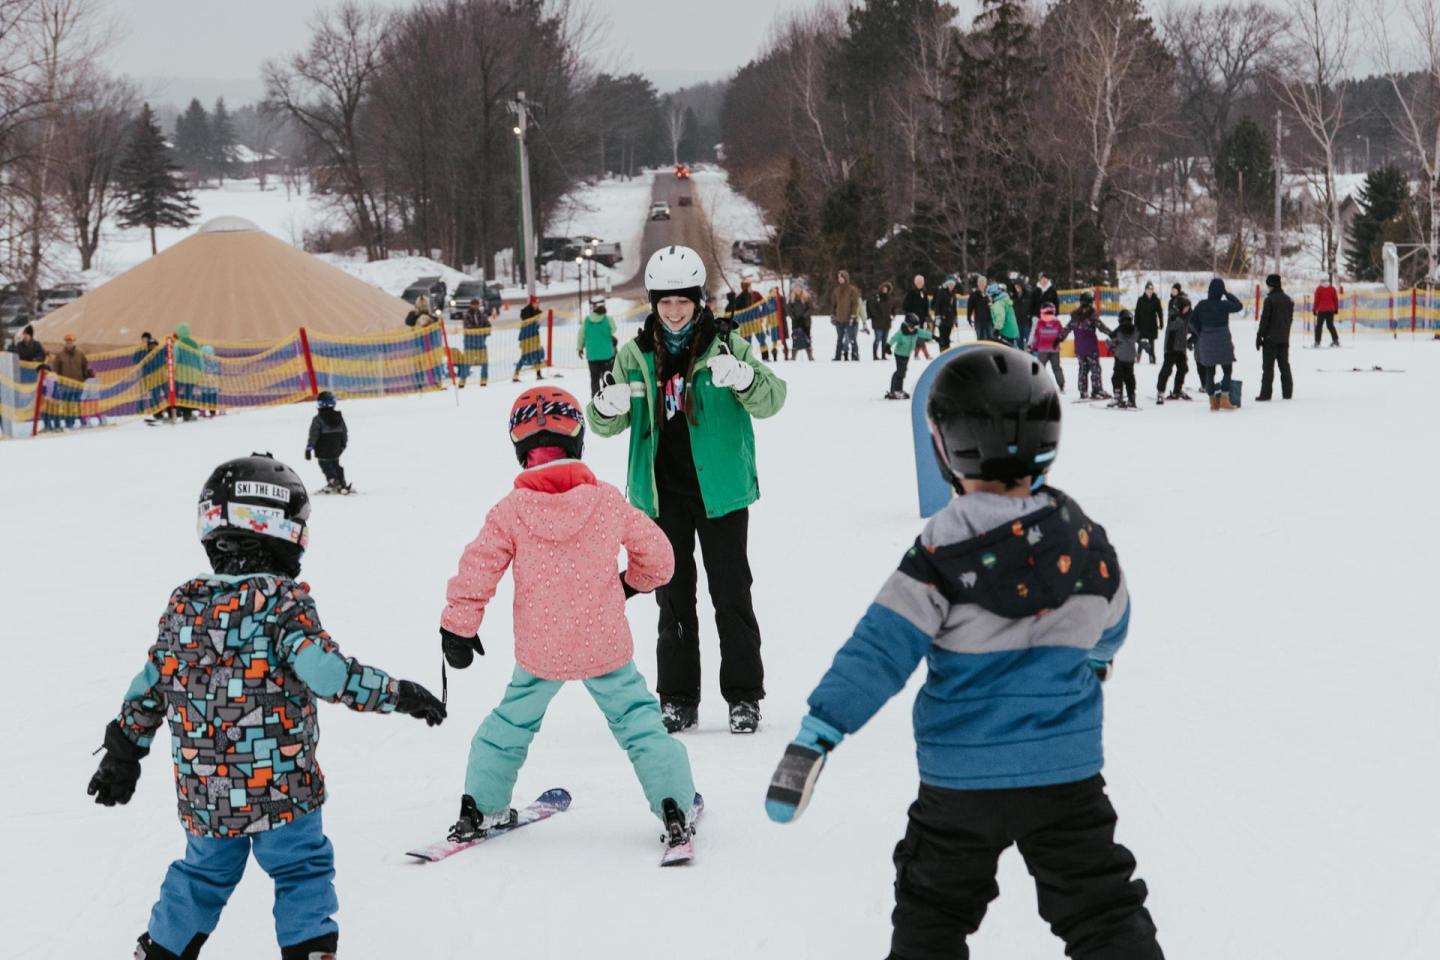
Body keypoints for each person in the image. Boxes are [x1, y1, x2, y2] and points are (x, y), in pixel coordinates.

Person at [764, 344, 1163, 960]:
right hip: (1064, 775)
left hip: (960, 783)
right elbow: (1113, 621)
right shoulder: (1085, 541)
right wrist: (1093, 659)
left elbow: (881, 649)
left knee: (933, 914)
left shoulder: (940, 552)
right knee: (1102, 909)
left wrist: (820, 730)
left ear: (945, 446)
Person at [85, 454, 445, 960]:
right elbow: (328, 674)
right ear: (279, 529)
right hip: (283, 791)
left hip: (208, 796)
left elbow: (148, 689)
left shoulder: (182, 608)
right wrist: (397, 693)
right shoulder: (282, 605)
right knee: (300, 870)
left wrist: (122, 753)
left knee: (203, 874)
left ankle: (162, 952)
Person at [439, 386, 699, 854]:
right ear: (579, 441)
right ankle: (674, 805)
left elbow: (478, 568)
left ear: (520, 450)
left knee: (510, 725)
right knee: (639, 722)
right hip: (604, 644)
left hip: (540, 649)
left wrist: (459, 627)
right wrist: (628, 584)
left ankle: (480, 805)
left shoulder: (511, 511)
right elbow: (660, 557)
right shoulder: (606, 501)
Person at [588, 245, 787, 735]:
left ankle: (744, 697)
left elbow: (772, 399)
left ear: (698, 300)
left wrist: (743, 377)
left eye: (683, 301)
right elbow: (603, 424)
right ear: (653, 303)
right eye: (665, 301)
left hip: (721, 492)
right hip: (661, 497)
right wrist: (607, 407)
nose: (674, 311)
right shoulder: (635, 354)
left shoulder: (727, 346)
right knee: (673, 598)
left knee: (732, 593)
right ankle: (677, 697)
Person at [1191, 278, 1242, 409]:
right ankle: (1225, 399)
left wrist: (1200, 332)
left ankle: (1213, 402)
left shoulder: (1202, 305)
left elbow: (1191, 322)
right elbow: (1239, 305)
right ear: (1221, 291)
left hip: (1206, 341)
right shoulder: (1224, 304)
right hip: (1223, 340)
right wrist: (1227, 293)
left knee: (1209, 371)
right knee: (1227, 370)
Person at [1057, 292, 1112, 400]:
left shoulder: (1075, 317)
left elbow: (1066, 330)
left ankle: (1083, 391)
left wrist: (1059, 338)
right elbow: (1102, 327)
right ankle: (1097, 391)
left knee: (1083, 369)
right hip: (1091, 348)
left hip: (1080, 349)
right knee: (1095, 369)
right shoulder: (1091, 316)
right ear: (1090, 302)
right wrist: (1113, 334)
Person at [1256, 273, 1294, 401]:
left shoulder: (1269, 300)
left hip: (1270, 339)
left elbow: (1265, 320)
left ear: (1271, 285)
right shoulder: (1288, 300)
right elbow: (1290, 319)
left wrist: (1259, 335)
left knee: (1268, 368)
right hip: (1284, 338)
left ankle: (1265, 394)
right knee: (1284, 366)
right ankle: (1287, 393)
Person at [306, 391, 352, 494]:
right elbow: (344, 432)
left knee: (326, 465)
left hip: (323, 450)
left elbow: (314, 435)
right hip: (336, 449)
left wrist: (309, 448)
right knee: (335, 464)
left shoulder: (317, 419)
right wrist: (342, 446)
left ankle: (333, 482)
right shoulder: (339, 418)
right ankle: (341, 482)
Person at [885, 313, 933, 400]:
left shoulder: (916, 331)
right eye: (911, 326)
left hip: (907, 355)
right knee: (900, 372)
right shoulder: (901, 332)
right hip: (899, 354)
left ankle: (897, 389)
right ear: (906, 324)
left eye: (914, 327)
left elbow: (925, 334)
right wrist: (888, 346)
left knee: (902, 372)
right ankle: (896, 390)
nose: (912, 329)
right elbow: (893, 338)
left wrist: (935, 337)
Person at [49, 333, 91, 428]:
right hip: (65, 385)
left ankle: (82, 421)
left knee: (78, 404)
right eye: (67, 342)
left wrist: (84, 378)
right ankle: (69, 422)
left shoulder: (80, 354)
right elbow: (56, 369)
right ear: (65, 343)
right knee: (67, 404)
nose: (69, 344)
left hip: (78, 384)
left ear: (73, 343)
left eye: (70, 342)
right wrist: (59, 380)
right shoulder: (59, 355)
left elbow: (85, 366)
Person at [1156, 295, 1193, 402]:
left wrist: (1190, 341)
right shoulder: (1173, 315)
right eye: (1186, 307)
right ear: (1181, 306)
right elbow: (1173, 325)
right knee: (1166, 370)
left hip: (1180, 348)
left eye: (1188, 308)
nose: (1187, 309)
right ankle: (1160, 391)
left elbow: (1189, 329)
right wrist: (1183, 317)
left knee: (1183, 369)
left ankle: (1177, 391)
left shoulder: (1184, 317)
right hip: (1171, 348)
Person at [578, 298, 617, 397]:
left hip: (592, 356)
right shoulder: (608, 319)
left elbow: (581, 335)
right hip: (607, 355)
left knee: (594, 380)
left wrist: (580, 348)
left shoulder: (587, 320)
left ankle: (595, 400)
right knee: (607, 379)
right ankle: (607, 399)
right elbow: (614, 330)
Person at [1028, 302, 1066, 393]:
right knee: (1056, 367)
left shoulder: (1040, 323)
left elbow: (1036, 337)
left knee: (1040, 367)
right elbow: (1062, 334)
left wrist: (1033, 347)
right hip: (1054, 349)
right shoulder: (1057, 323)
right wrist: (1059, 340)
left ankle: (1037, 384)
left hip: (1042, 349)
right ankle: (1061, 384)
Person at [1106, 309, 1140, 408]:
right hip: (1130, 358)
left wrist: (1109, 345)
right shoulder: (1135, 329)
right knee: (1129, 377)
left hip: (1120, 357)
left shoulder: (1119, 330)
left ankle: (1117, 397)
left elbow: (1110, 340)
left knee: (1117, 377)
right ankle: (1131, 398)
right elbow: (1138, 337)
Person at [458, 298, 492, 388]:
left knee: (484, 362)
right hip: (469, 344)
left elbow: (488, 325)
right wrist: (479, 329)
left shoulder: (481, 314)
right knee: (467, 363)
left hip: (480, 342)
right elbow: (467, 326)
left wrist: (484, 333)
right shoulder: (467, 315)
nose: (476, 306)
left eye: (477, 304)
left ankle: (484, 380)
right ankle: (462, 381)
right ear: (471, 305)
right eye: (474, 304)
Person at [831, 270, 862, 362]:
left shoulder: (852, 290)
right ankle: (837, 356)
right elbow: (834, 304)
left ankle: (855, 355)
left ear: (845, 278)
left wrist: (853, 315)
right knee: (839, 338)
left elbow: (855, 304)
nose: (839, 279)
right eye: (838, 277)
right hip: (839, 318)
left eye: (841, 277)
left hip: (850, 319)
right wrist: (833, 315)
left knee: (852, 338)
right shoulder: (836, 290)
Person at [513, 295, 546, 381]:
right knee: (524, 357)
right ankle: (516, 375)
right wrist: (536, 317)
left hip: (534, 337)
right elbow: (526, 319)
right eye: (535, 303)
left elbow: (536, 324)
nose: (537, 304)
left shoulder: (538, 312)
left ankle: (539, 375)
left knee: (537, 355)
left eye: (538, 303)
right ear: (532, 303)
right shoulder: (526, 312)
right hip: (526, 338)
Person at [1133, 282, 1163, 364]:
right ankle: (1138, 357)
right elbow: (1137, 313)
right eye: (1148, 290)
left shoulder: (1156, 300)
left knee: (1151, 343)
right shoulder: (1140, 300)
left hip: (1152, 325)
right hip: (1142, 325)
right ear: (1145, 290)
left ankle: (1152, 358)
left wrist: (1161, 323)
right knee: (1141, 342)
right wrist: (1135, 325)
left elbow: (1160, 312)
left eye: (1151, 290)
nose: (1150, 291)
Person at [867, 280, 896, 360]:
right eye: (883, 288)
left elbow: (893, 309)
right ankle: (875, 355)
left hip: (887, 322)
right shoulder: (876, 297)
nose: (885, 290)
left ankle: (883, 355)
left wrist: (893, 316)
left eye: (886, 288)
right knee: (877, 338)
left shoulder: (890, 298)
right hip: (877, 322)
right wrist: (876, 316)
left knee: (884, 340)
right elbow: (872, 307)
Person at [788, 286, 815, 361]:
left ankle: (810, 356)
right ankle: (793, 356)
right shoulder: (791, 299)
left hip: (805, 322)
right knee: (795, 338)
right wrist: (793, 317)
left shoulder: (807, 298)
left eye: (799, 288)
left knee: (807, 338)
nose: (797, 289)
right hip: (795, 322)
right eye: (796, 288)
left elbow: (811, 308)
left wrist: (805, 316)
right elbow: (789, 309)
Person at [987, 282, 1019, 346]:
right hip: (1012, 331)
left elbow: (1000, 318)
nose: (988, 298)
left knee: (1005, 353)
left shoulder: (998, 304)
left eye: (989, 295)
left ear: (993, 294)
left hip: (1005, 332)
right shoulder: (1005, 300)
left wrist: (996, 330)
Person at [1312, 276, 1341, 347]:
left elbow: (1316, 300)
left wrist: (1314, 309)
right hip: (1331, 310)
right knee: (1330, 325)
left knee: (1319, 326)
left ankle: (1317, 342)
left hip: (1322, 310)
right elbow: (1335, 299)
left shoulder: (1319, 289)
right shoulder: (1332, 288)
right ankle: (1336, 340)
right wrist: (1336, 309)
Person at [933, 276, 958, 351]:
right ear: (947, 284)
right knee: (942, 338)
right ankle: (942, 352)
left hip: (950, 320)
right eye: (950, 284)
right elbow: (937, 304)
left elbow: (954, 307)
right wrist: (937, 317)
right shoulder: (942, 292)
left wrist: (955, 319)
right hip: (942, 319)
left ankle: (947, 352)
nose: (951, 286)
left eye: (953, 284)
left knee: (947, 338)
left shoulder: (953, 294)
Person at [967, 276, 993, 341]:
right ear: (978, 284)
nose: (982, 285)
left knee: (990, 338)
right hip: (979, 321)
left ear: (985, 284)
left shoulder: (989, 294)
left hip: (989, 320)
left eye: (983, 283)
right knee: (980, 338)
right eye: (980, 283)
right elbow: (970, 307)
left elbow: (993, 307)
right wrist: (969, 318)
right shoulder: (974, 295)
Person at [1011, 276, 1032, 349]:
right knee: (1018, 343)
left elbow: (1032, 307)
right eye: (1016, 286)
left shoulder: (1028, 295)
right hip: (1017, 323)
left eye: (1018, 286)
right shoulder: (1013, 297)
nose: (1017, 288)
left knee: (1029, 342)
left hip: (1027, 323)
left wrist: (1029, 316)